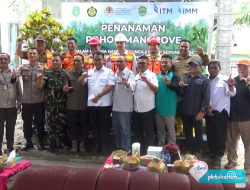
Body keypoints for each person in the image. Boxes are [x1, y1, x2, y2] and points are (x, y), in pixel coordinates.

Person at [173, 39, 209, 137]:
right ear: (179, 47)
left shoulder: (195, 57)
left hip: (191, 89)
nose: (183, 48)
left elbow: (206, 63)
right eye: (182, 46)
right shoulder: (174, 60)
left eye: (186, 47)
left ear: (189, 48)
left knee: (192, 115)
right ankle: (181, 130)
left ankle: (194, 138)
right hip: (179, 90)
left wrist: (202, 54)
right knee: (180, 112)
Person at [83, 51, 115, 154]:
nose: (97, 61)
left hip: (104, 105)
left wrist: (98, 96)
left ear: (103, 60)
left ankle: (105, 147)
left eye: (99, 59)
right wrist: (82, 77)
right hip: (92, 105)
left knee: (104, 127)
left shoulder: (109, 71)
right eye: (95, 59)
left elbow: (110, 86)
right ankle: (96, 146)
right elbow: (81, 83)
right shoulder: (89, 72)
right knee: (94, 127)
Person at [206, 60, 236, 168]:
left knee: (220, 136)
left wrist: (231, 86)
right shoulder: (207, 80)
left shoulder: (225, 80)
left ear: (219, 68)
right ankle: (212, 154)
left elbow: (231, 93)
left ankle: (218, 158)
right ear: (208, 69)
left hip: (221, 112)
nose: (213, 69)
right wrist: (207, 107)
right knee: (210, 134)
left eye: (215, 67)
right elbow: (207, 95)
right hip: (209, 112)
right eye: (211, 68)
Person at [37, 53, 68, 151]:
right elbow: (40, 87)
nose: (54, 62)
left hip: (62, 104)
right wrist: (40, 78)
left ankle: (63, 142)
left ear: (61, 62)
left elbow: (68, 88)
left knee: (62, 124)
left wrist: (66, 89)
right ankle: (52, 144)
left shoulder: (65, 73)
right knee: (51, 124)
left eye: (57, 60)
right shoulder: (46, 73)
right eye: (53, 60)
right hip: (50, 105)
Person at [225, 59, 250, 175]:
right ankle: (232, 162)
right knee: (231, 143)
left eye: (244, 67)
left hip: (247, 119)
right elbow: (228, 94)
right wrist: (230, 86)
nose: (241, 69)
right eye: (239, 67)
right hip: (233, 118)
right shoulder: (233, 80)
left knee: (248, 145)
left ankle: (248, 167)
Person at [179, 59, 210, 155]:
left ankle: (198, 151)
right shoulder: (185, 78)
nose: (192, 67)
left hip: (198, 112)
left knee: (198, 132)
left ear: (200, 67)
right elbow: (181, 95)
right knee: (188, 132)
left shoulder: (204, 79)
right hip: (186, 111)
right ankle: (189, 150)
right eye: (191, 65)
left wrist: (202, 111)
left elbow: (206, 96)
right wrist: (181, 88)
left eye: (195, 65)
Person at [19, 47, 45, 151]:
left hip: (39, 100)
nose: (32, 55)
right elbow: (15, 76)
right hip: (26, 100)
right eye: (30, 54)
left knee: (40, 121)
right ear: (28, 56)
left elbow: (42, 85)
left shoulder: (42, 67)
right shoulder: (23, 67)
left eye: (34, 53)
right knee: (27, 122)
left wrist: (40, 76)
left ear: (37, 55)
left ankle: (40, 141)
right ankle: (28, 141)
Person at [133, 55, 158, 153]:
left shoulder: (152, 75)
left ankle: (149, 153)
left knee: (149, 132)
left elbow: (156, 89)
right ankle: (139, 152)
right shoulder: (136, 76)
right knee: (137, 132)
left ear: (148, 64)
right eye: (139, 63)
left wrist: (147, 81)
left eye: (143, 63)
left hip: (148, 109)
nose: (141, 65)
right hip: (136, 109)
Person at [64, 54, 88, 152]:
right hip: (72, 105)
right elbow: (65, 87)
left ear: (82, 62)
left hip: (83, 105)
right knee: (72, 126)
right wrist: (65, 89)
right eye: (75, 60)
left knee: (84, 126)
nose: (76, 62)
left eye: (78, 61)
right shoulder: (68, 73)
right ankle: (74, 143)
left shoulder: (87, 74)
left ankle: (82, 144)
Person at [0, 53, 22, 155]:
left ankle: (10, 148)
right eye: (1, 59)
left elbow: (18, 89)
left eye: (5, 59)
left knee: (10, 128)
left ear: (9, 61)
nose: (3, 61)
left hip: (11, 106)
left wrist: (19, 102)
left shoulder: (14, 73)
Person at [155, 54, 179, 146]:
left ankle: (172, 150)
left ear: (171, 63)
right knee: (160, 130)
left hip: (170, 109)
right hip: (158, 108)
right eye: (162, 62)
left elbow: (178, 88)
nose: (164, 64)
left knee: (171, 131)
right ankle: (160, 149)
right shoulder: (157, 76)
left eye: (166, 62)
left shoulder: (174, 76)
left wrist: (169, 83)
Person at [112, 56, 135, 151]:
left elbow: (132, 88)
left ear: (126, 62)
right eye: (117, 61)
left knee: (125, 130)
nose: (118, 63)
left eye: (121, 61)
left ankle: (127, 149)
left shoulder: (130, 73)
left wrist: (127, 84)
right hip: (115, 107)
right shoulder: (114, 74)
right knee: (116, 129)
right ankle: (119, 148)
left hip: (125, 107)